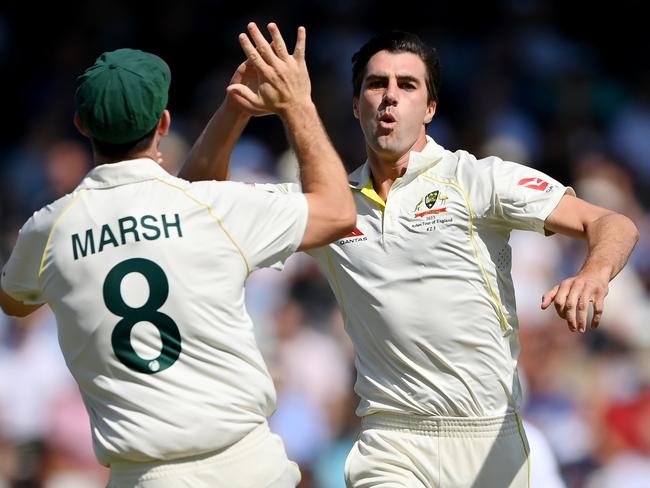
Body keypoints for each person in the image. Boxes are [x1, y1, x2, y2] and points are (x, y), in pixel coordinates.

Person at [181, 30, 639, 487]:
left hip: (488, 434)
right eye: (377, 84)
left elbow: (613, 224)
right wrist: (236, 107)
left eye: (407, 85)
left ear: (431, 108)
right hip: (391, 441)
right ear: (355, 104)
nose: (389, 98)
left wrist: (593, 274)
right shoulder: (329, 206)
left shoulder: (477, 180)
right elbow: (197, 202)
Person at [0, 22, 355, 488]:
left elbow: (15, 302)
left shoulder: (48, 230)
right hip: (250, 468)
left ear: (82, 124)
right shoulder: (211, 211)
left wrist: (232, 111)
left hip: (144, 476)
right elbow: (336, 212)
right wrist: (297, 104)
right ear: (164, 123)